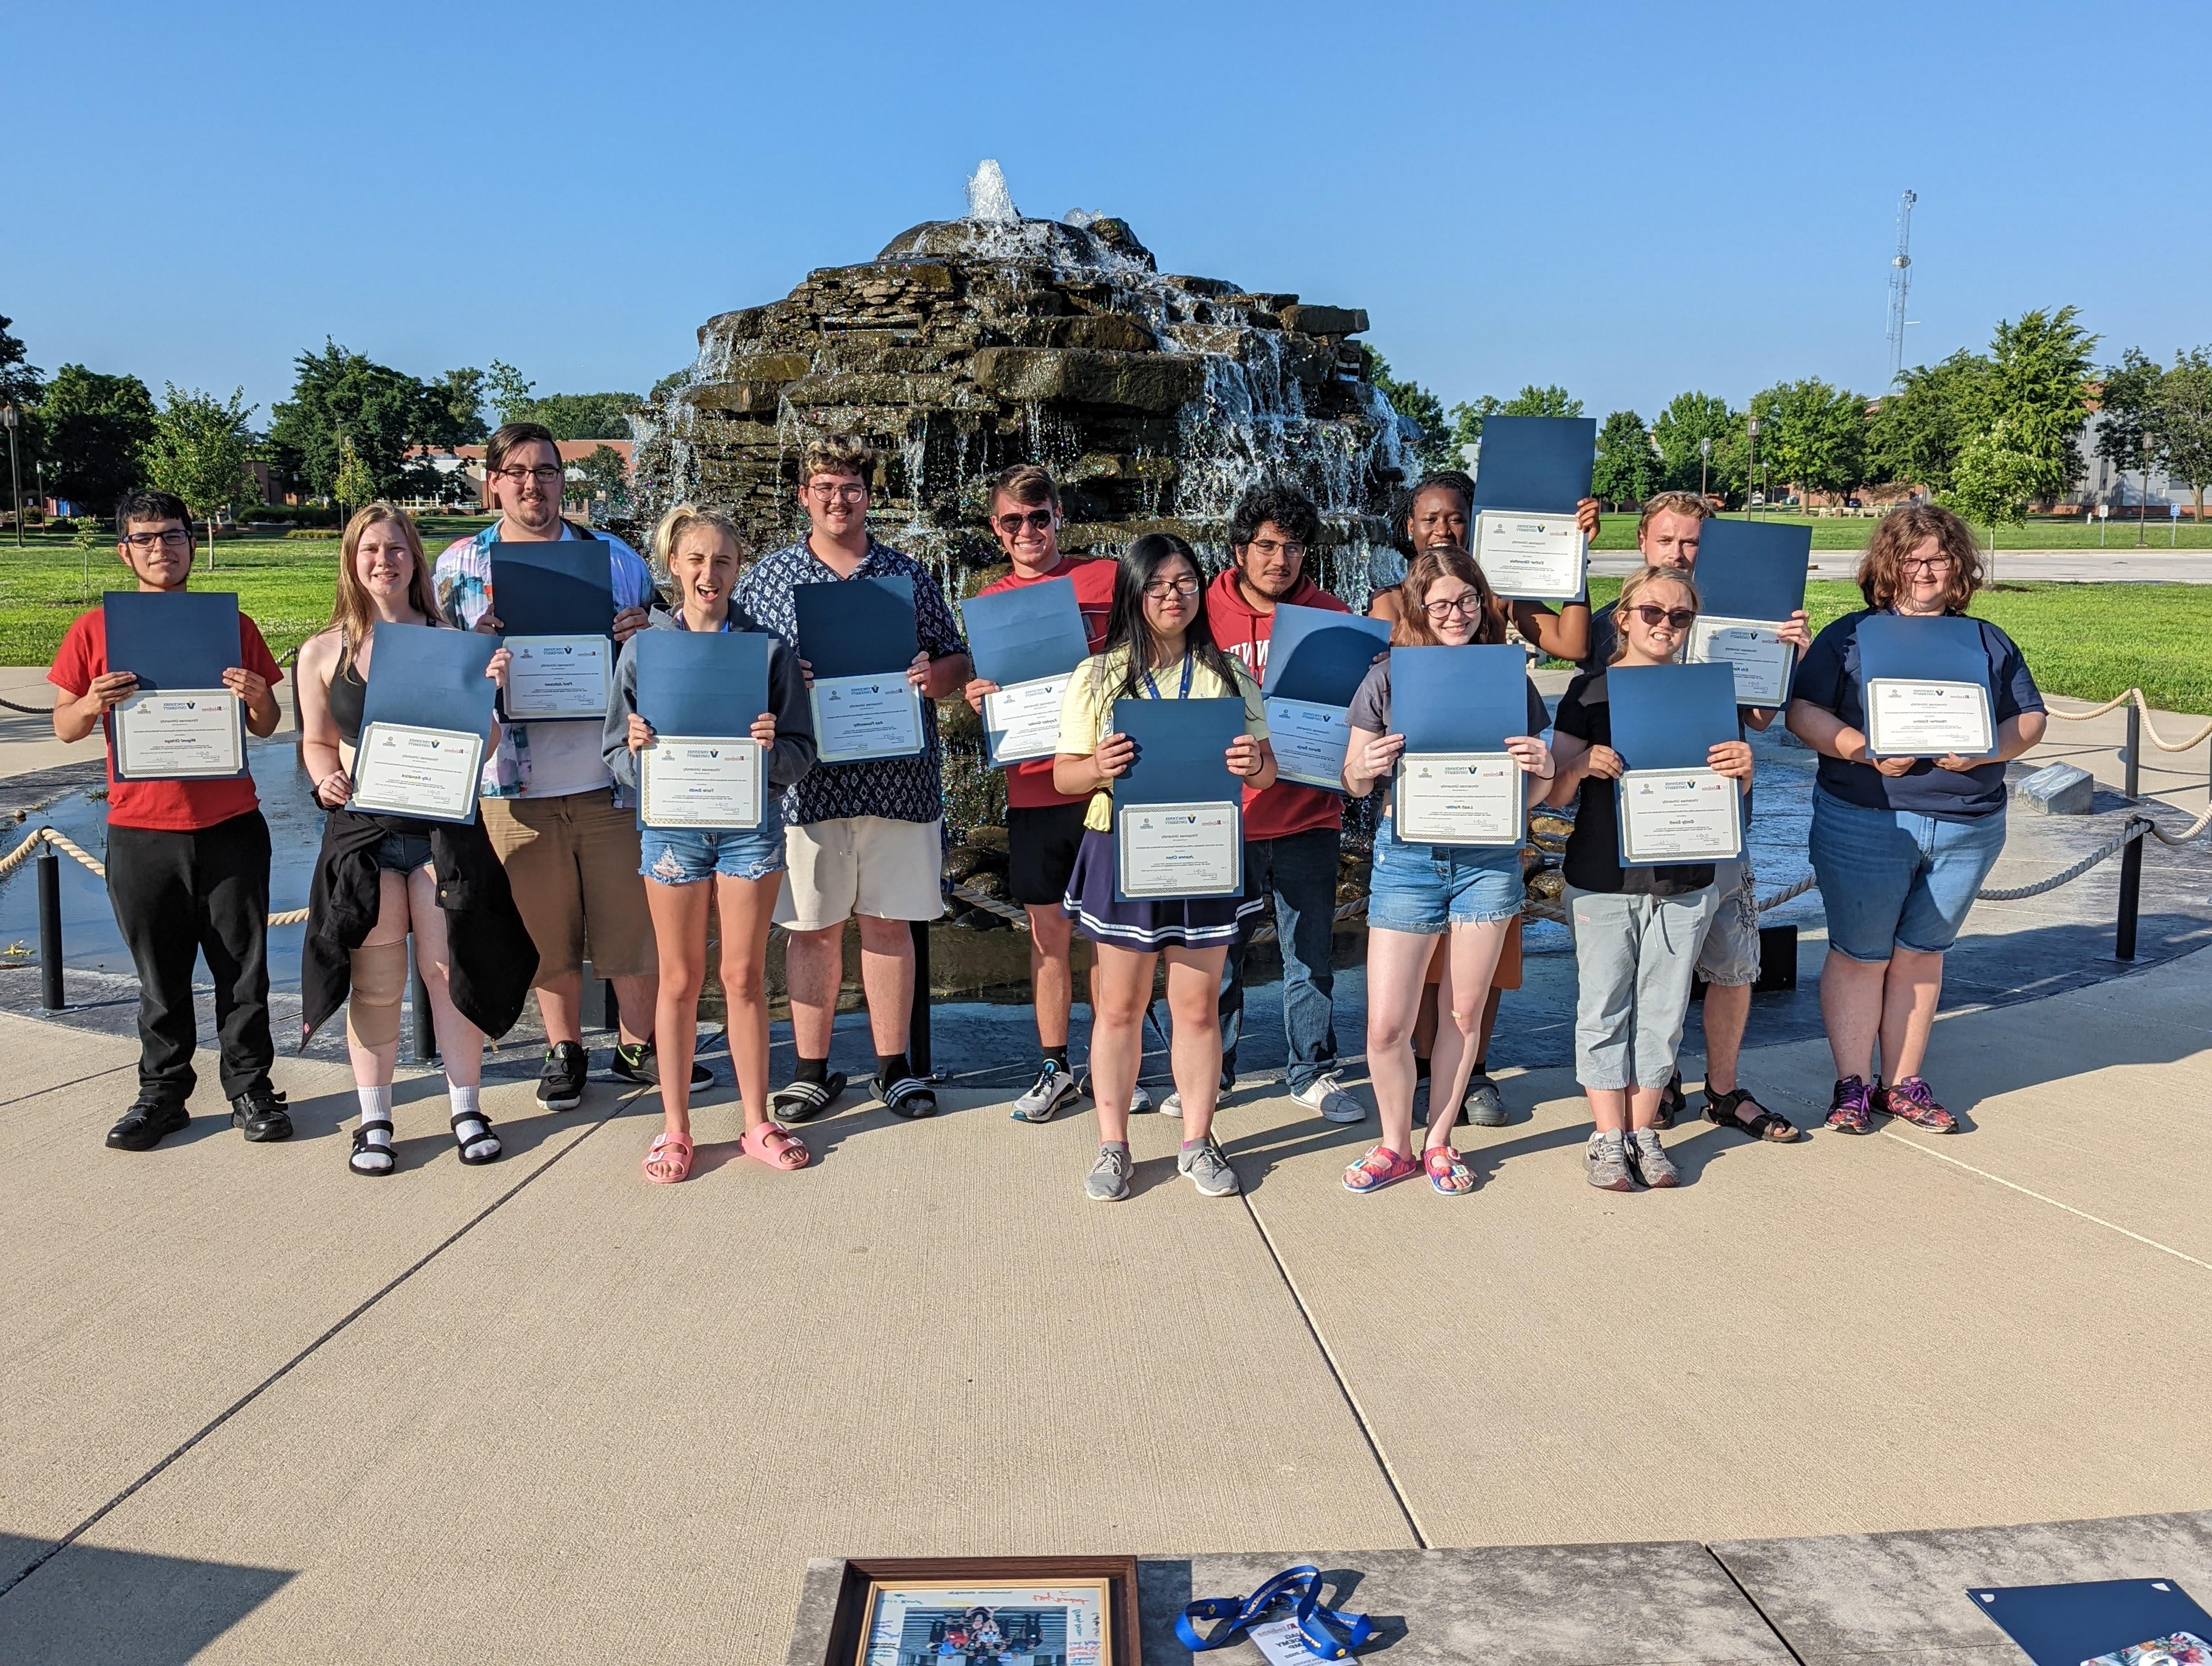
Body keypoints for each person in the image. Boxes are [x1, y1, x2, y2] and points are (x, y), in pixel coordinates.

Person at [435, 420, 701, 1112]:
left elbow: (674, 645)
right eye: (517, 472)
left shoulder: (616, 559)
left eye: (546, 471)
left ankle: (639, 1046)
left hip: (610, 776)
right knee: (545, 928)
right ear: (493, 480)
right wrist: (474, 653)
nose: (533, 485)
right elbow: (439, 675)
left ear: (563, 479)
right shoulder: (458, 567)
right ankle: (565, 1050)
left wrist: (649, 631)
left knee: (633, 923)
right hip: (514, 784)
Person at [1785, 504, 2047, 1135]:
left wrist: (1989, 749)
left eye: (1939, 558)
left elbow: (2030, 719)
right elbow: (1804, 713)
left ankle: (1902, 1082)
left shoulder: (1986, 639)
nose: (1926, 570)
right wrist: (1862, 749)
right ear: (1887, 566)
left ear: (1959, 566)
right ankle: (1851, 1083)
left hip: (1967, 824)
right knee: (1860, 955)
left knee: (1922, 954)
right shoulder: (1849, 637)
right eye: (1912, 558)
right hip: (1867, 818)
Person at [735, 435, 971, 1123]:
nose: (839, 499)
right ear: (804, 495)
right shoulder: (767, 580)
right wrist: (785, 686)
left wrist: (934, 677)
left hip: (899, 783)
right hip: (809, 787)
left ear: (870, 495)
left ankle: (894, 1069)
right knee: (811, 929)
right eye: (825, 486)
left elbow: (956, 663)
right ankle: (812, 1070)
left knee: (889, 926)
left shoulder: (906, 576)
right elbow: (741, 672)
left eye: (852, 487)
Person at [296, 503, 536, 1175]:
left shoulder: (450, 640)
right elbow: (316, 740)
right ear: (352, 560)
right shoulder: (323, 651)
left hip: (441, 834)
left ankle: (466, 1106)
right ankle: (375, 1120)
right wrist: (324, 781)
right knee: (376, 984)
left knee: (447, 971)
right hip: (365, 836)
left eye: (396, 549)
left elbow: (483, 748)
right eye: (370, 549)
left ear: (414, 560)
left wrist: (489, 692)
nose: (383, 560)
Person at [49, 488, 290, 1151]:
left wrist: (258, 697)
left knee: (243, 972)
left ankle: (250, 1088)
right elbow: (64, 726)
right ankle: (163, 1093)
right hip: (142, 829)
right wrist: (92, 702)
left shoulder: (230, 625)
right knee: (159, 977)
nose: (162, 549)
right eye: (146, 538)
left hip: (230, 824)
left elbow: (267, 726)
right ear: (125, 551)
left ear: (193, 540)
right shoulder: (95, 630)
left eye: (174, 535)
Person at [1369, 471, 1602, 1126]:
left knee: (1483, 971)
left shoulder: (1497, 605)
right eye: (1429, 519)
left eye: (1455, 518)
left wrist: (1569, 554)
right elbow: (1378, 690)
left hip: (1487, 827)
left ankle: (1472, 1070)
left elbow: (1574, 644)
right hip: (1419, 827)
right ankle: (1420, 1066)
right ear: (1408, 529)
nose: (1442, 529)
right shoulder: (1389, 604)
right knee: (1413, 955)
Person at [1578, 490, 1811, 1142]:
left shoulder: (1731, 624)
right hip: (1633, 833)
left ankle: (1724, 1089)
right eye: (1667, 541)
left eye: (1692, 544)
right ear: (1642, 545)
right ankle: (1645, 1093)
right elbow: (1585, 718)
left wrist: (1784, 653)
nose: (1680, 554)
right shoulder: (1610, 626)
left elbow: (1761, 718)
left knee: (1732, 961)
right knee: (1640, 977)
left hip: (1716, 823)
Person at [1054, 533, 1276, 1201]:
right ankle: (1114, 1145)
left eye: (1184, 582)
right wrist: (1098, 767)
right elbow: (1065, 777)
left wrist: (1251, 766)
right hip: (1123, 847)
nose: (1172, 595)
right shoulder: (1097, 675)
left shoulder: (1230, 676)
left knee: (1197, 1007)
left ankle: (1197, 1140)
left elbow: (1267, 773)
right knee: (1118, 1008)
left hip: (1205, 849)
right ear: (1133, 592)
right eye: (1156, 584)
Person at [605, 504, 818, 1183]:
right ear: (673, 565)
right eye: (696, 560)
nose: (709, 574)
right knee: (678, 979)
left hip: (748, 827)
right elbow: (613, 751)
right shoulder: (643, 651)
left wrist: (769, 750)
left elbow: (801, 751)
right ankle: (675, 1128)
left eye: (722, 562)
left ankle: (756, 1120)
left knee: (744, 978)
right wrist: (636, 752)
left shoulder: (766, 651)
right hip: (672, 828)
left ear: (737, 568)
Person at [1339, 548, 1555, 1194]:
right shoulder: (1388, 678)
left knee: (1462, 1013)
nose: (1455, 614)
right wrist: (1369, 763)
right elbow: (1351, 779)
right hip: (1408, 859)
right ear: (1419, 610)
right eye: (1440, 604)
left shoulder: (1508, 680)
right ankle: (1393, 1144)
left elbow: (1533, 797)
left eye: (1466, 601)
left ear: (1481, 602)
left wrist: (1541, 772)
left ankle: (1438, 1141)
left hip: (1487, 862)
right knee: (1386, 1024)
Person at [1547, 566, 1754, 1190]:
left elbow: (1732, 799)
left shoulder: (1708, 694)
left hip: (1685, 879)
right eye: (1652, 613)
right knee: (1604, 1008)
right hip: (1603, 877)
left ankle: (1644, 1132)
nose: (1665, 625)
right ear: (1625, 618)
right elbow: (1552, 793)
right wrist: (1582, 765)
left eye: (1680, 616)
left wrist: (1744, 770)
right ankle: (1606, 1137)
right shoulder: (1588, 692)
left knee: (1663, 1013)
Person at [959, 464, 1142, 1122]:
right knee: (1049, 936)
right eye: (1014, 521)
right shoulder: (990, 599)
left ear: (1058, 516)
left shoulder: (1108, 580)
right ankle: (1053, 1066)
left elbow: (1145, 659)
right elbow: (987, 686)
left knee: (1107, 934)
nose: (1028, 530)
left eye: (1040, 517)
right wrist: (976, 693)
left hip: (1102, 785)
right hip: (1034, 788)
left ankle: (1107, 1065)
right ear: (996, 528)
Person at [1200, 483, 1364, 1124]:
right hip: (1228, 819)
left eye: (1293, 547)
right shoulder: (1202, 609)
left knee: (1311, 957)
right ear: (1241, 548)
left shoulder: (1332, 615)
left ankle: (1313, 1071)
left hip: (1308, 818)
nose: (1280, 559)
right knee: (1219, 959)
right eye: (1267, 545)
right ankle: (1211, 1072)